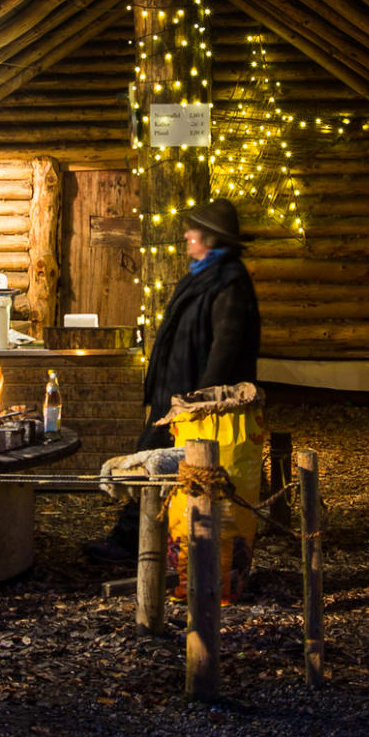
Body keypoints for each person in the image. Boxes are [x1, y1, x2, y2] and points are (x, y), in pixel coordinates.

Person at [86, 198, 260, 562]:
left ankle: (132, 543)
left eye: (193, 231)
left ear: (211, 240)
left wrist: (198, 404)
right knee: (149, 462)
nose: (186, 236)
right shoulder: (200, 277)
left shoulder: (230, 284)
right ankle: (141, 540)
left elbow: (225, 349)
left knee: (155, 465)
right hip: (174, 395)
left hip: (193, 402)